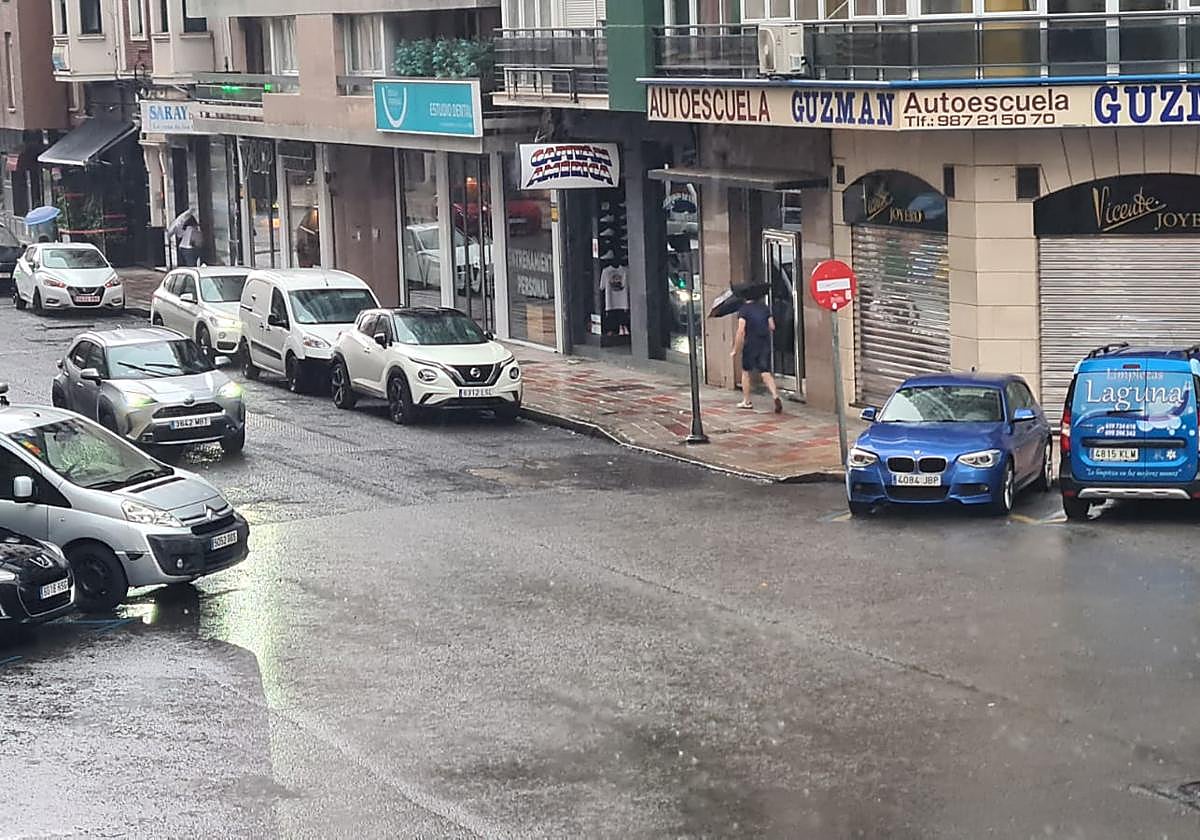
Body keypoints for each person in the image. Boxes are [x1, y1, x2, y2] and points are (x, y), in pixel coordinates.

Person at [731, 293, 783, 413]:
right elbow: (772, 326)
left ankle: (747, 401)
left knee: (745, 372)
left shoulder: (744, 310)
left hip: (751, 344)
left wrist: (735, 348)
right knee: (765, 372)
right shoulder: (764, 307)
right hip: (764, 344)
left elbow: (741, 331)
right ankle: (775, 396)